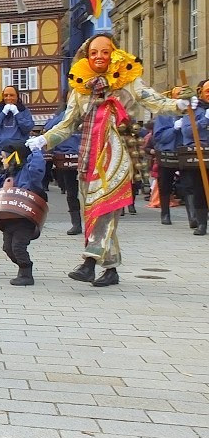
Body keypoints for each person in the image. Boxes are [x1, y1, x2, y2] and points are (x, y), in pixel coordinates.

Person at [28, 35, 188, 286]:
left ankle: (89, 262)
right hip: (89, 154)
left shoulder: (126, 79)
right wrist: (44, 140)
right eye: (93, 53)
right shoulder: (80, 88)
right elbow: (68, 125)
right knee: (92, 209)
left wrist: (178, 104)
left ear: (113, 53)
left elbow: (153, 100)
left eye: (105, 51)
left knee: (105, 206)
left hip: (117, 152)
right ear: (86, 56)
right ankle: (111, 269)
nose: (99, 57)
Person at [0, 143, 46, 286]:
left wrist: (36, 152)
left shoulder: (27, 172)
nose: (2, 160)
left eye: (4, 157)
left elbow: (37, 170)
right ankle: (23, 267)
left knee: (18, 246)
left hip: (24, 217)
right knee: (8, 248)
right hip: (8, 217)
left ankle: (26, 273)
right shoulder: (7, 174)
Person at [43, 103, 84, 235]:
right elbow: (49, 128)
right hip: (67, 158)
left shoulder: (88, 112)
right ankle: (76, 223)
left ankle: (91, 222)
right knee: (71, 193)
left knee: (88, 193)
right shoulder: (63, 115)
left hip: (86, 155)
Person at [176, 79, 209, 235]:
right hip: (200, 155)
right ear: (200, 91)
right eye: (208, 91)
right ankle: (202, 223)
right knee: (200, 189)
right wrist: (205, 120)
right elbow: (187, 131)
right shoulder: (194, 109)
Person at [0, 85, 34, 151]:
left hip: (18, 145)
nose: (8, 98)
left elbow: (27, 128)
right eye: (6, 95)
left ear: (17, 97)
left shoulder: (24, 110)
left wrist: (17, 114)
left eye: (11, 95)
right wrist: (3, 113)